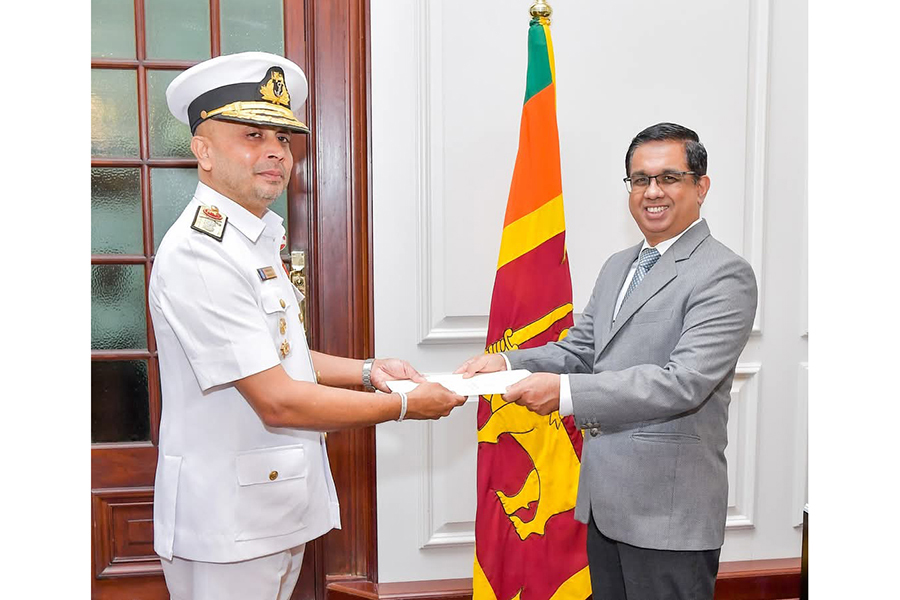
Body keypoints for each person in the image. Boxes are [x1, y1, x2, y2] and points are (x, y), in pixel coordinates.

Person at [149, 52, 465, 600]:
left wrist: (368, 371)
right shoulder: (202, 254)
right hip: (229, 520)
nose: (275, 151)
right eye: (252, 134)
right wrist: (407, 405)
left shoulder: (254, 238)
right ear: (202, 149)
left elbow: (280, 353)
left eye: (284, 139)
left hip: (267, 506)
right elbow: (278, 400)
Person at [456, 123, 757, 600]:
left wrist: (565, 396)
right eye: (639, 180)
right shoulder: (620, 265)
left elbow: (683, 383)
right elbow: (580, 350)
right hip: (603, 505)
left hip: (669, 516)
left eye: (668, 177)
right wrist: (510, 363)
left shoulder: (724, 274)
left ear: (701, 186)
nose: (651, 192)